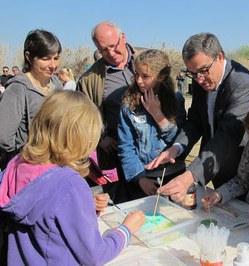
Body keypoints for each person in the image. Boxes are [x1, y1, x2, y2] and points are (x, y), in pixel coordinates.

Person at [0, 90, 145, 265]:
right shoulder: (70, 184)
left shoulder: (16, 164)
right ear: (81, 137)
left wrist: (85, 205)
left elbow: (44, 209)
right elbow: (95, 255)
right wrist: (126, 229)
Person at [146, 33, 249, 202]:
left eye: (203, 70)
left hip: (242, 173)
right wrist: (176, 148)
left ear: (219, 57)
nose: (199, 79)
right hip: (214, 168)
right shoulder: (202, 80)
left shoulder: (243, 84)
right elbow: (195, 122)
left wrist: (190, 176)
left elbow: (228, 135)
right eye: (192, 73)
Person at [77, 21, 136, 203]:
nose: (110, 53)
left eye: (113, 46)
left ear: (123, 37)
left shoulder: (148, 59)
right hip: (117, 155)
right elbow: (84, 118)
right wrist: (101, 138)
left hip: (154, 154)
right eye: (103, 50)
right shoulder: (89, 79)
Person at [118, 49, 186, 198]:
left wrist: (157, 114)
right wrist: (139, 178)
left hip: (173, 175)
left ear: (161, 76)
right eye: (136, 74)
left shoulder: (177, 101)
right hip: (143, 178)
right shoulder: (129, 105)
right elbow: (125, 146)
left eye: (145, 76)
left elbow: (179, 141)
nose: (139, 81)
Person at [0, 29, 63, 171]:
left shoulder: (56, 84)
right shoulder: (18, 88)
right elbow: (4, 136)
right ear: (29, 57)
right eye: (46, 59)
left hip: (55, 165)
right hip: (26, 167)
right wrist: (26, 152)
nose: (53, 65)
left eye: (56, 58)